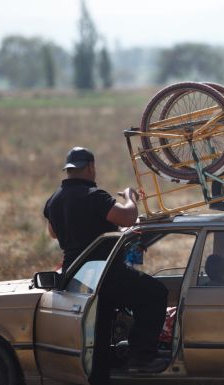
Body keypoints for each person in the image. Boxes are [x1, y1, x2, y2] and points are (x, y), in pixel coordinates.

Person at [43, 146, 168, 382]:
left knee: (99, 333)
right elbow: (128, 217)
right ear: (91, 167)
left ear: (68, 170)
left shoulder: (54, 200)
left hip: (77, 277)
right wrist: (130, 197)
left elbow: (52, 233)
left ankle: (100, 376)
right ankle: (142, 356)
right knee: (155, 293)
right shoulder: (93, 195)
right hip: (104, 273)